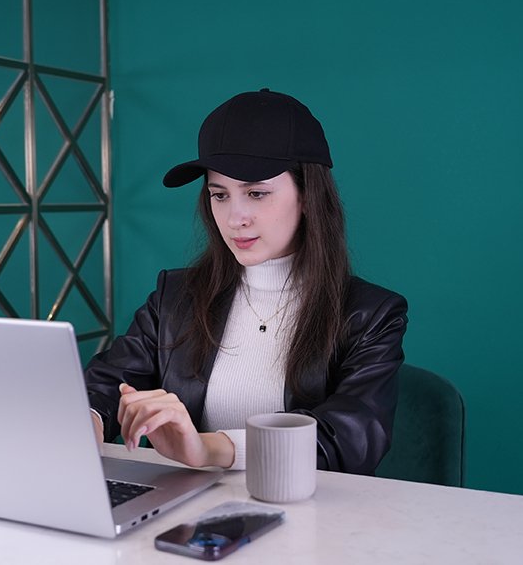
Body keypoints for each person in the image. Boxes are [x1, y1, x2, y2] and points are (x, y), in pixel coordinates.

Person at [84, 88, 407, 476]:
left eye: (256, 193)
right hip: (184, 511)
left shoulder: (370, 315)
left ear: (308, 195)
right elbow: (105, 384)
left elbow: (349, 440)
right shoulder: (175, 297)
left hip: (315, 523)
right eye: (219, 195)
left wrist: (208, 448)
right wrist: (85, 422)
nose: (235, 218)